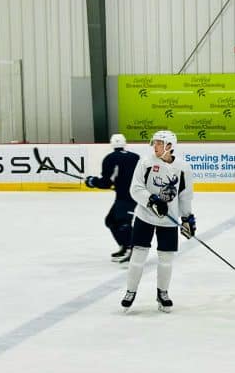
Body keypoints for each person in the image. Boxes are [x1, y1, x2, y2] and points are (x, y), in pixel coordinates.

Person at [121, 130, 195, 312]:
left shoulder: (183, 168)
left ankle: (162, 293)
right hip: (144, 217)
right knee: (138, 256)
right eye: (154, 143)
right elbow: (135, 188)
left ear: (170, 146)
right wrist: (151, 200)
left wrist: (187, 218)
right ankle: (130, 291)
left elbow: (185, 196)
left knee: (166, 259)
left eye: (159, 143)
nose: (155, 146)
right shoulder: (145, 162)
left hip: (169, 221)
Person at [84, 133, 140, 263]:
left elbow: (106, 183)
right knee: (111, 220)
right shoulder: (135, 157)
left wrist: (92, 181)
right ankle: (125, 246)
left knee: (122, 222)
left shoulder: (110, 158)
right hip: (134, 194)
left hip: (126, 196)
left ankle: (134, 250)